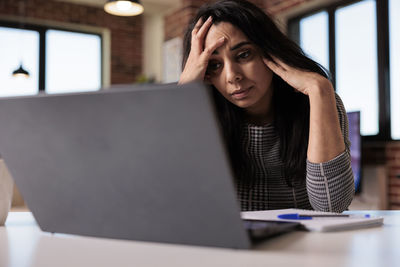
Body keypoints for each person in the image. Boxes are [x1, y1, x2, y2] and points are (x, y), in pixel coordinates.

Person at [178, 0, 354, 212]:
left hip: (307, 240)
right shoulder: (200, 115)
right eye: (215, 65)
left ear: (270, 51)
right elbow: (173, 202)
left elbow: (332, 205)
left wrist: (319, 89)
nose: (232, 76)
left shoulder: (319, 102)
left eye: (243, 55)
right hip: (232, 243)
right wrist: (183, 95)